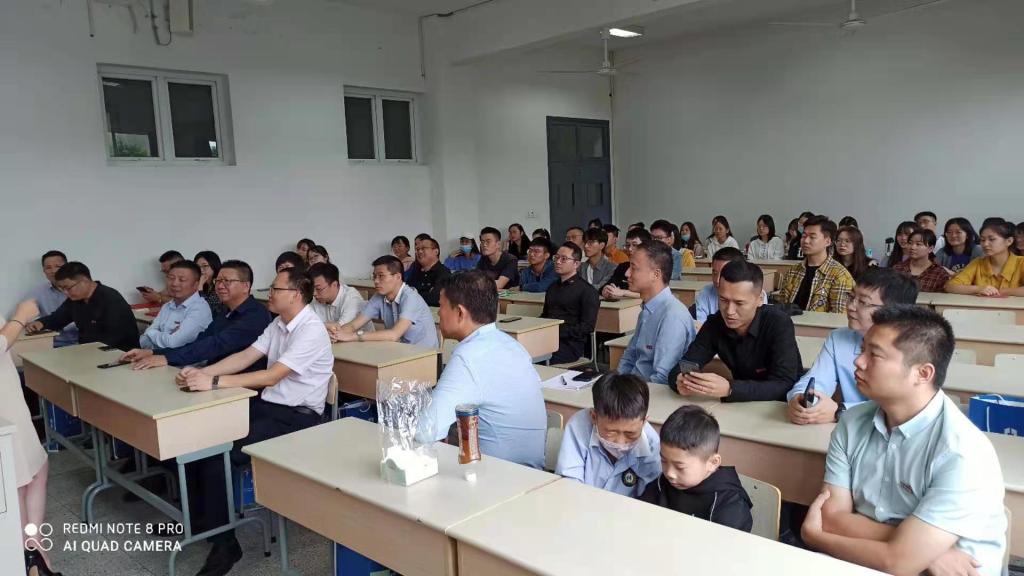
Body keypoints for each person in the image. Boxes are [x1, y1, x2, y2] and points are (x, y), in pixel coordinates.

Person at [801, 306, 1006, 576]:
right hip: (863, 563)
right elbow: (831, 518)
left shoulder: (962, 451)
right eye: (862, 350)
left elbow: (897, 562)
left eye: (874, 354)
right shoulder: (851, 423)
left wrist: (816, 538)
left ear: (923, 374)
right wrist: (923, 551)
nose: (859, 362)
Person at [178, 267, 334, 576]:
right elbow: (247, 356)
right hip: (267, 407)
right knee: (195, 439)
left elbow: (272, 375)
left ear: (296, 295)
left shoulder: (311, 330)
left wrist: (214, 382)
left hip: (297, 418)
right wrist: (202, 373)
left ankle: (226, 545)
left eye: (276, 289)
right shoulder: (278, 323)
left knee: (217, 457)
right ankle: (203, 523)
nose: (269, 294)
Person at [418, 271, 547, 467]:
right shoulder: (510, 343)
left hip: (500, 475)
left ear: (460, 313)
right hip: (529, 470)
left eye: (441, 306)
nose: (438, 313)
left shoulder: (469, 357)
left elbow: (425, 431)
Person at [787, 268, 919, 425]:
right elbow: (816, 380)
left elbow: (902, 407)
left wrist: (840, 411)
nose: (851, 306)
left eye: (863, 302)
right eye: (851, 297)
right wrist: (801, 398)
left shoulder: (913, 349)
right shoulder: (839, 338)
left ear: (893, 311)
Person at [670, 260, 800, 402]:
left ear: (760, 299)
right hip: (740, 404)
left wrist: (730, 389)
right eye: (723, 300)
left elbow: (785, 384)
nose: (729, 311)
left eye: (739, 303)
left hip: (781, 406)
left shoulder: (778, 322)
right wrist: (680, 380)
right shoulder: (715, 323)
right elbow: (685, 363)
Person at [120, 260, 273, 370]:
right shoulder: (225, 311)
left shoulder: (255, 315)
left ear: (246, 286)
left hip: (239, 384)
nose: (220, 286)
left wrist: (165, 358)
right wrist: (153, 352)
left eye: (227, 281)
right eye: (218, 280)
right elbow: (200, 341)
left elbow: (215, 344)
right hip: (212, 374)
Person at [2, 300, 58, 576]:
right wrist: (21, 316)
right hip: (3, 405)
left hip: (7, 392)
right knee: (17, 479)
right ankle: (30, 557)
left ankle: (33, 549)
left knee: (35, 468)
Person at [640, 405, 752, 532]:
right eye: (664, 461)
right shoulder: (662, 484)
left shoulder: (729, 506)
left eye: (679, 467)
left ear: (713, 463)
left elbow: (727, 543)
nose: (669, 473)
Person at [555, 373, 660, 497]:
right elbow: (569, 484)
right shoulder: (578, 426)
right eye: (611, 432)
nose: (620, 443)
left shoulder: (651, 444)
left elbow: (652, 496)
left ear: (644, 422)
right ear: (594, 417)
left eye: (630, 434)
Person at [617, 242, 696, 385]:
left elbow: (662, 378)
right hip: (633, 388)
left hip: (649, 393)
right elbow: (629, 358)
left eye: (633, 268)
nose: (627, 273)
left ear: (656, 274)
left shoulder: (672, 316)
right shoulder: (647, 310)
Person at [27, 261, 138, 351]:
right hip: (87, 352)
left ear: (84, 281)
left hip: (117, 354)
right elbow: (58, 318)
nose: (65, 293)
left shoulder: (111, 298)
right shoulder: (75, 300)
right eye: (62, 289)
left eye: (68, 288)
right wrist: (41, 323)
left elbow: (115, 337)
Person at [332, 256, 438, 348]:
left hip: (425, 355)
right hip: (399, 351)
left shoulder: (411, 298)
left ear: (398, 277)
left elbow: (394, 335)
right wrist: (337, 334)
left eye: (381, 276)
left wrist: (352, 336)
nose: (376, 281)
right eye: (374, 276)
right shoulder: (379, 296)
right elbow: (353, 325)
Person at [776, 215, 854, 313]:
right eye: (804, 236)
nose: (806, 241)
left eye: (812, 237)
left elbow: (839, 317)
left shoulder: (840, 276)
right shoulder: (793, 271)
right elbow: (781, 307)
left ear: (828, 241)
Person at [543, 243, 600, 364]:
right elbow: (545, 315)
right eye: (556, 257)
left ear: (576, 264)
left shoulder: (587, 291)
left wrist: (558, 332)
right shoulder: (552, 287)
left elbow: (587, 326)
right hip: (547, 338)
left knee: (538, 359)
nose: (558, 262)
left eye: (564, 259)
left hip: (570, 345)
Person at [139, 260, 213, 350]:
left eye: (182, 280)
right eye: (171, 278)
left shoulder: (199, 309)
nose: (174, 283)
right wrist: (166, 336)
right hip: (159, 355)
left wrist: (154, 334)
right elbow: (148, 333)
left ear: (196, 284)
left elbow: (173, 343)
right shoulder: (167, 306)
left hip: (185, 358)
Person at [946, 218, 1024, 297]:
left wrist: (1005, 291)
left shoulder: (1021, 262)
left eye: (991, 239)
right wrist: (979, 289)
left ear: (1009, 241)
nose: (985, 244)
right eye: (982, 240)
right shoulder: (978, 263)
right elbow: (950, 286)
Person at [693, 247, 767, 325]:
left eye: (739, 303)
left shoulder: (755, 293)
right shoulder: (706, 292)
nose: (717, 280)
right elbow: (701, 326)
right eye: (714, 273)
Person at [26, 250, 78, 347]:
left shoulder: (80, 289)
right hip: (52, 345)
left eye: (58, 266)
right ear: (44, 271)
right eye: (48, 268)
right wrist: (36, 324)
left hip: (83, 342)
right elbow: (26, 319)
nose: (53, 271)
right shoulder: (37, 292)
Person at [307, 262, 368, 328]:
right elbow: (305, 321)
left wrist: (315, 325)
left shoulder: (351, 298)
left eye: (318, 289)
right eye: (311, 288)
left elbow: (342, 329)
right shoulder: (317, 298)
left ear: (334, 285)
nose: (314, 293)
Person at [601, 228, 649, 301]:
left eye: (634, 245)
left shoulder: (651, 267)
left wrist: (623, 292)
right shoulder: (623, 266)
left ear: (646, 247)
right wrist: (605, 289)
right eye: (628, 245)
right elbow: (610, 283)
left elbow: (650, 293)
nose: (630, 249)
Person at [406, 237, 451, 306]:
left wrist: (414, 293)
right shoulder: (415, 271)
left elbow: (435, 298)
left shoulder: (443, 272)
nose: (419, 252)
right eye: (417, 249)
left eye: (423, 248)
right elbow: (405, 292)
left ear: (436, 252)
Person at [194, 250, 225, 316]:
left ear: (214, 266)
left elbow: (208, 310)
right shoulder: (197, 284)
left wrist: (200, 288)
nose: (201, 270)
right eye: (197, 267)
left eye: (205, 266)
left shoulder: (220, 285)